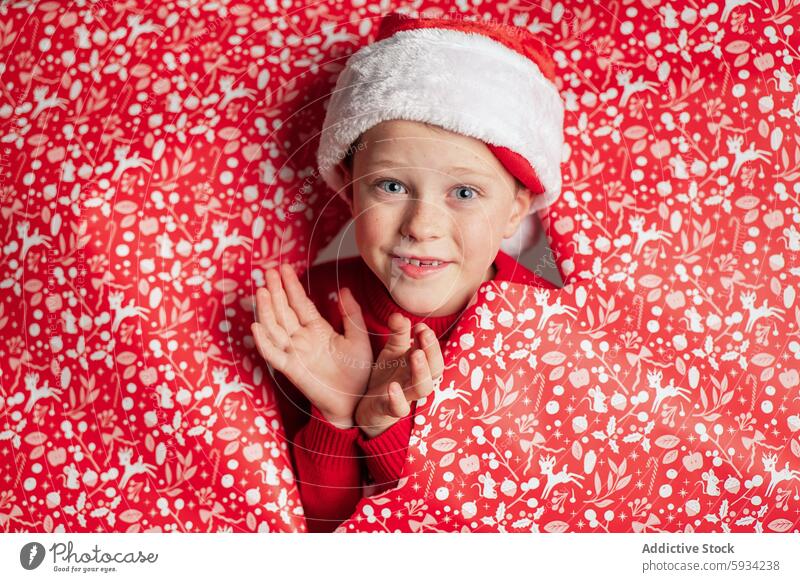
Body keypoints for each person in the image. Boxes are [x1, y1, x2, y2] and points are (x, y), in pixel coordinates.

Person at [250, 11, 565, 532]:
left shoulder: (542, 325)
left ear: (515, 208)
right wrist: (337, 413)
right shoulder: (314, 313)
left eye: (464, 193)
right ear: (349, 185)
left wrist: (381, 426)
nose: (421, 226)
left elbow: (485, 528)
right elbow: (315, 525)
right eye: (391, 186)